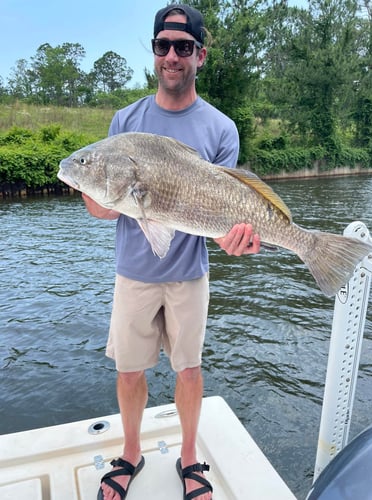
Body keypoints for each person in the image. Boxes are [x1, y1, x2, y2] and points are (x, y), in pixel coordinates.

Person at [83, 4, 260, 500]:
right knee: (130, 369)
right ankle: (132, 452)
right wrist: (109, 195)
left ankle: (188, 457)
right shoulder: (126, 120)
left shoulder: (221, 129)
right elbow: (98, 205)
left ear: (200, 55)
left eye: (184, 47)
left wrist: (237, 241)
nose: (172, 56)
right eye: (163, 46)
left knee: (189, 369)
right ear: (154, 52)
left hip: (189, 272)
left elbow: (233, 210)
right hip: (134, 272)